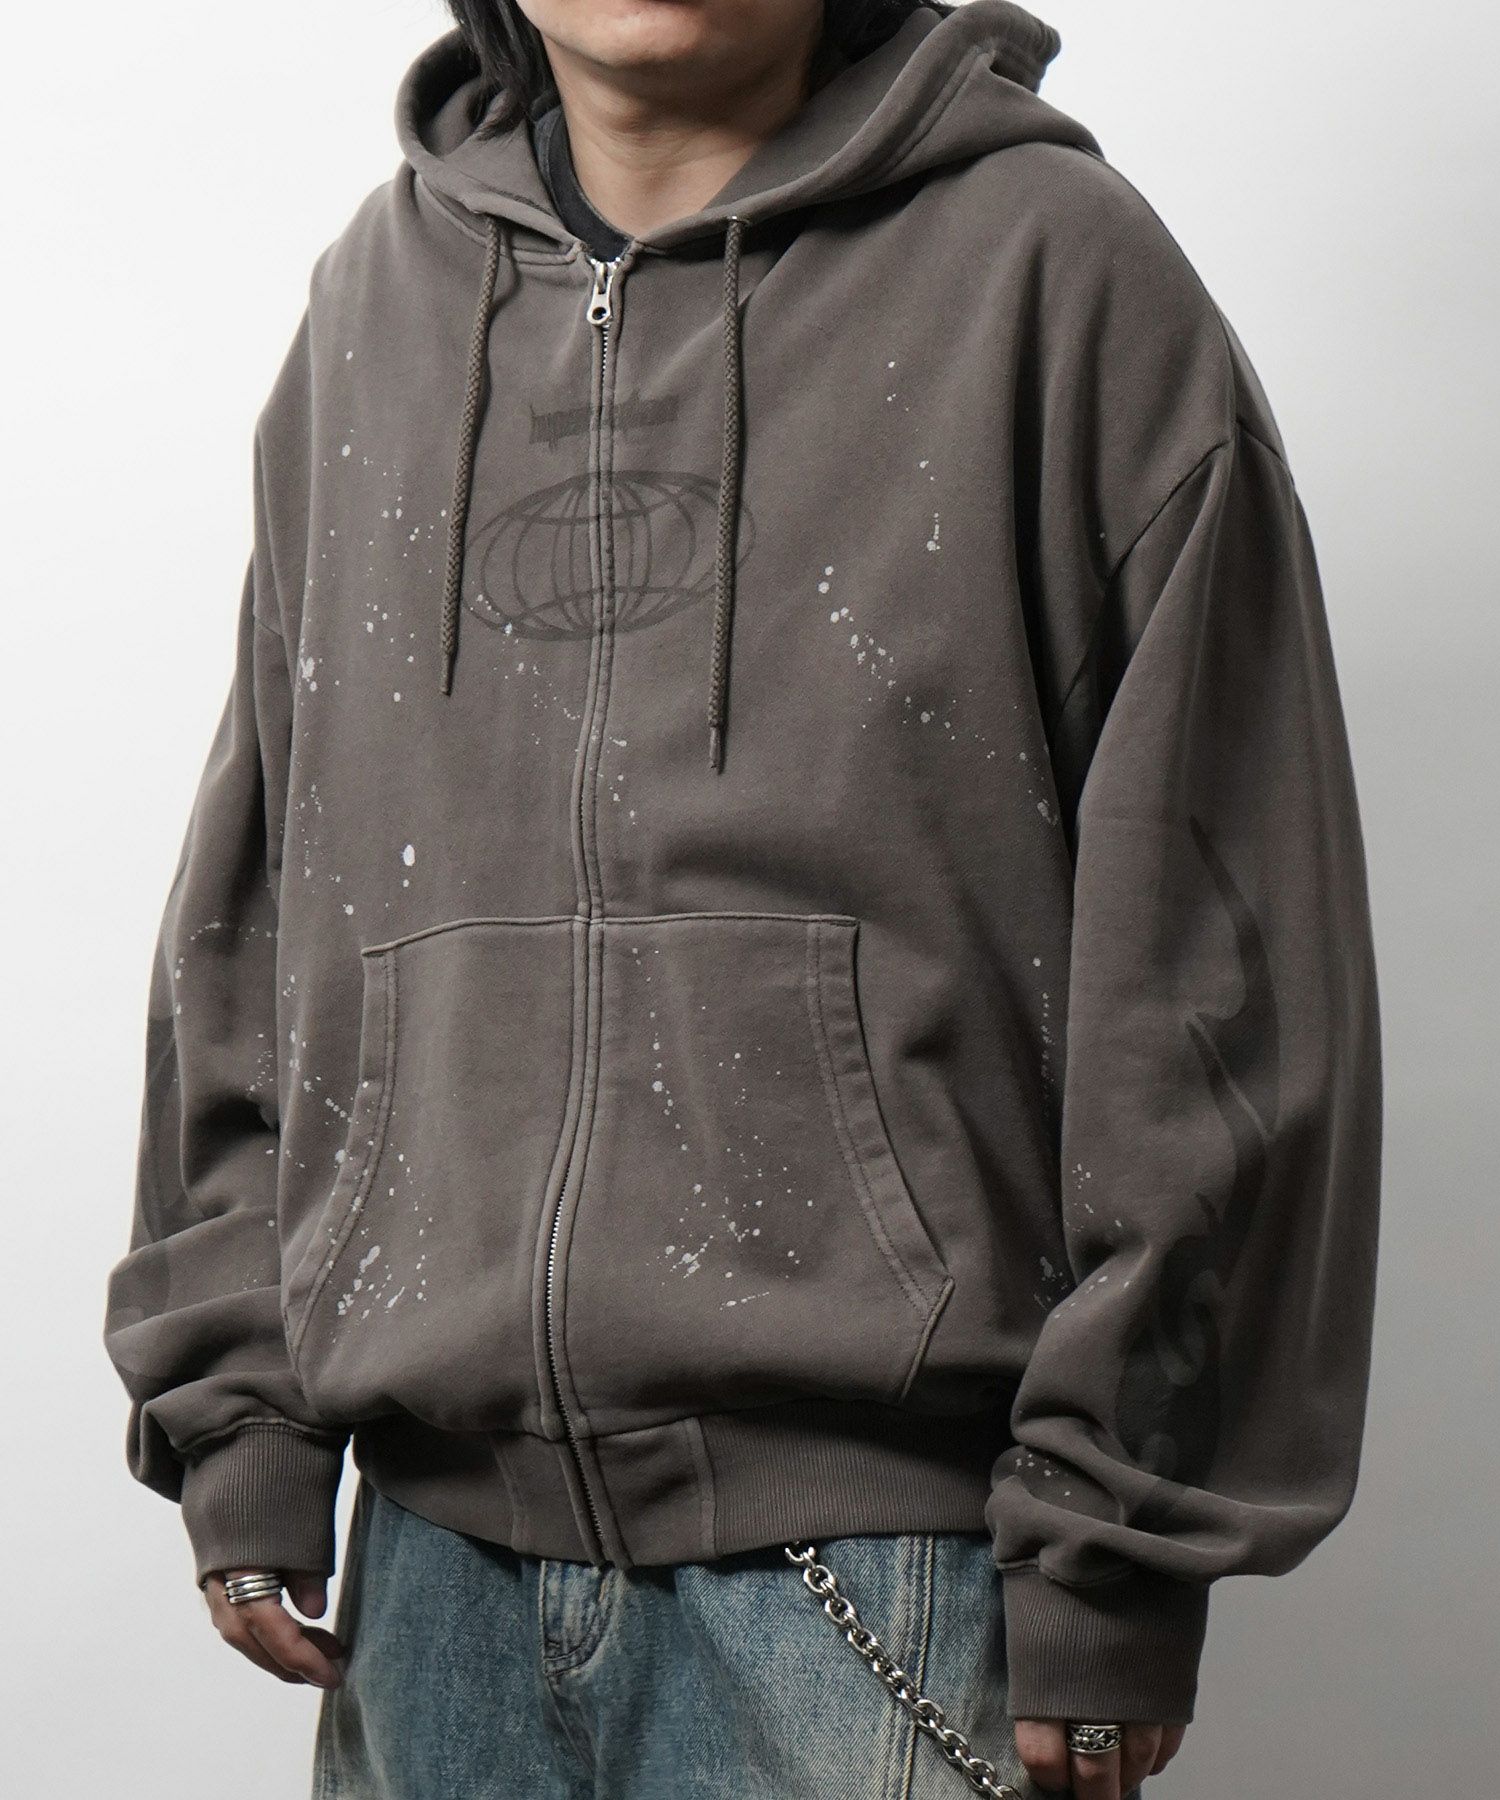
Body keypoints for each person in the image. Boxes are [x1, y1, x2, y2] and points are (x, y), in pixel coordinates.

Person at [101, 2, 1383, 1795]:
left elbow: (1219, 966)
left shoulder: (1059, 278)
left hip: (883, 1578)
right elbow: (256, 909)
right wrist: (237, 1412)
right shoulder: (372, 310)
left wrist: (1116, 1556)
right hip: (433, 1584)